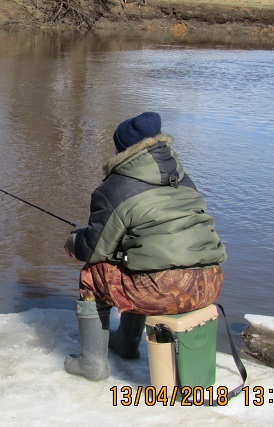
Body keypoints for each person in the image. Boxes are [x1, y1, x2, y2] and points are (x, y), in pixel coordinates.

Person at [63, 112, 226, 381]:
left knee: (93, 274)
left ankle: (92, 363)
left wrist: (73, 240)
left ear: (122, 150)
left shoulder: (116, 188)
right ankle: (126, 342)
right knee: (138, 260)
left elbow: (93, 249)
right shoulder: (183, 179)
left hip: (165, 291)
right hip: (208, 284)